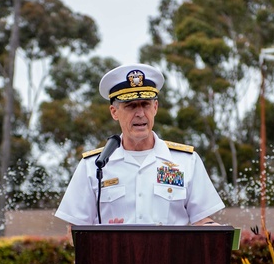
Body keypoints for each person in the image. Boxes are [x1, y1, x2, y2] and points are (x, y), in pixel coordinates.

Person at [55, 63, 224, 226]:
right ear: (114, 112)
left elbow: (202, 221)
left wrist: (219, 232)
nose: (140, 114)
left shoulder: (186, 162)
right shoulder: (94, 165)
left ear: (155, 107)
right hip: (112, 256)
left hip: (170, 256)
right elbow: (75, 229)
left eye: (145, 104)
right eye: (130, 106)